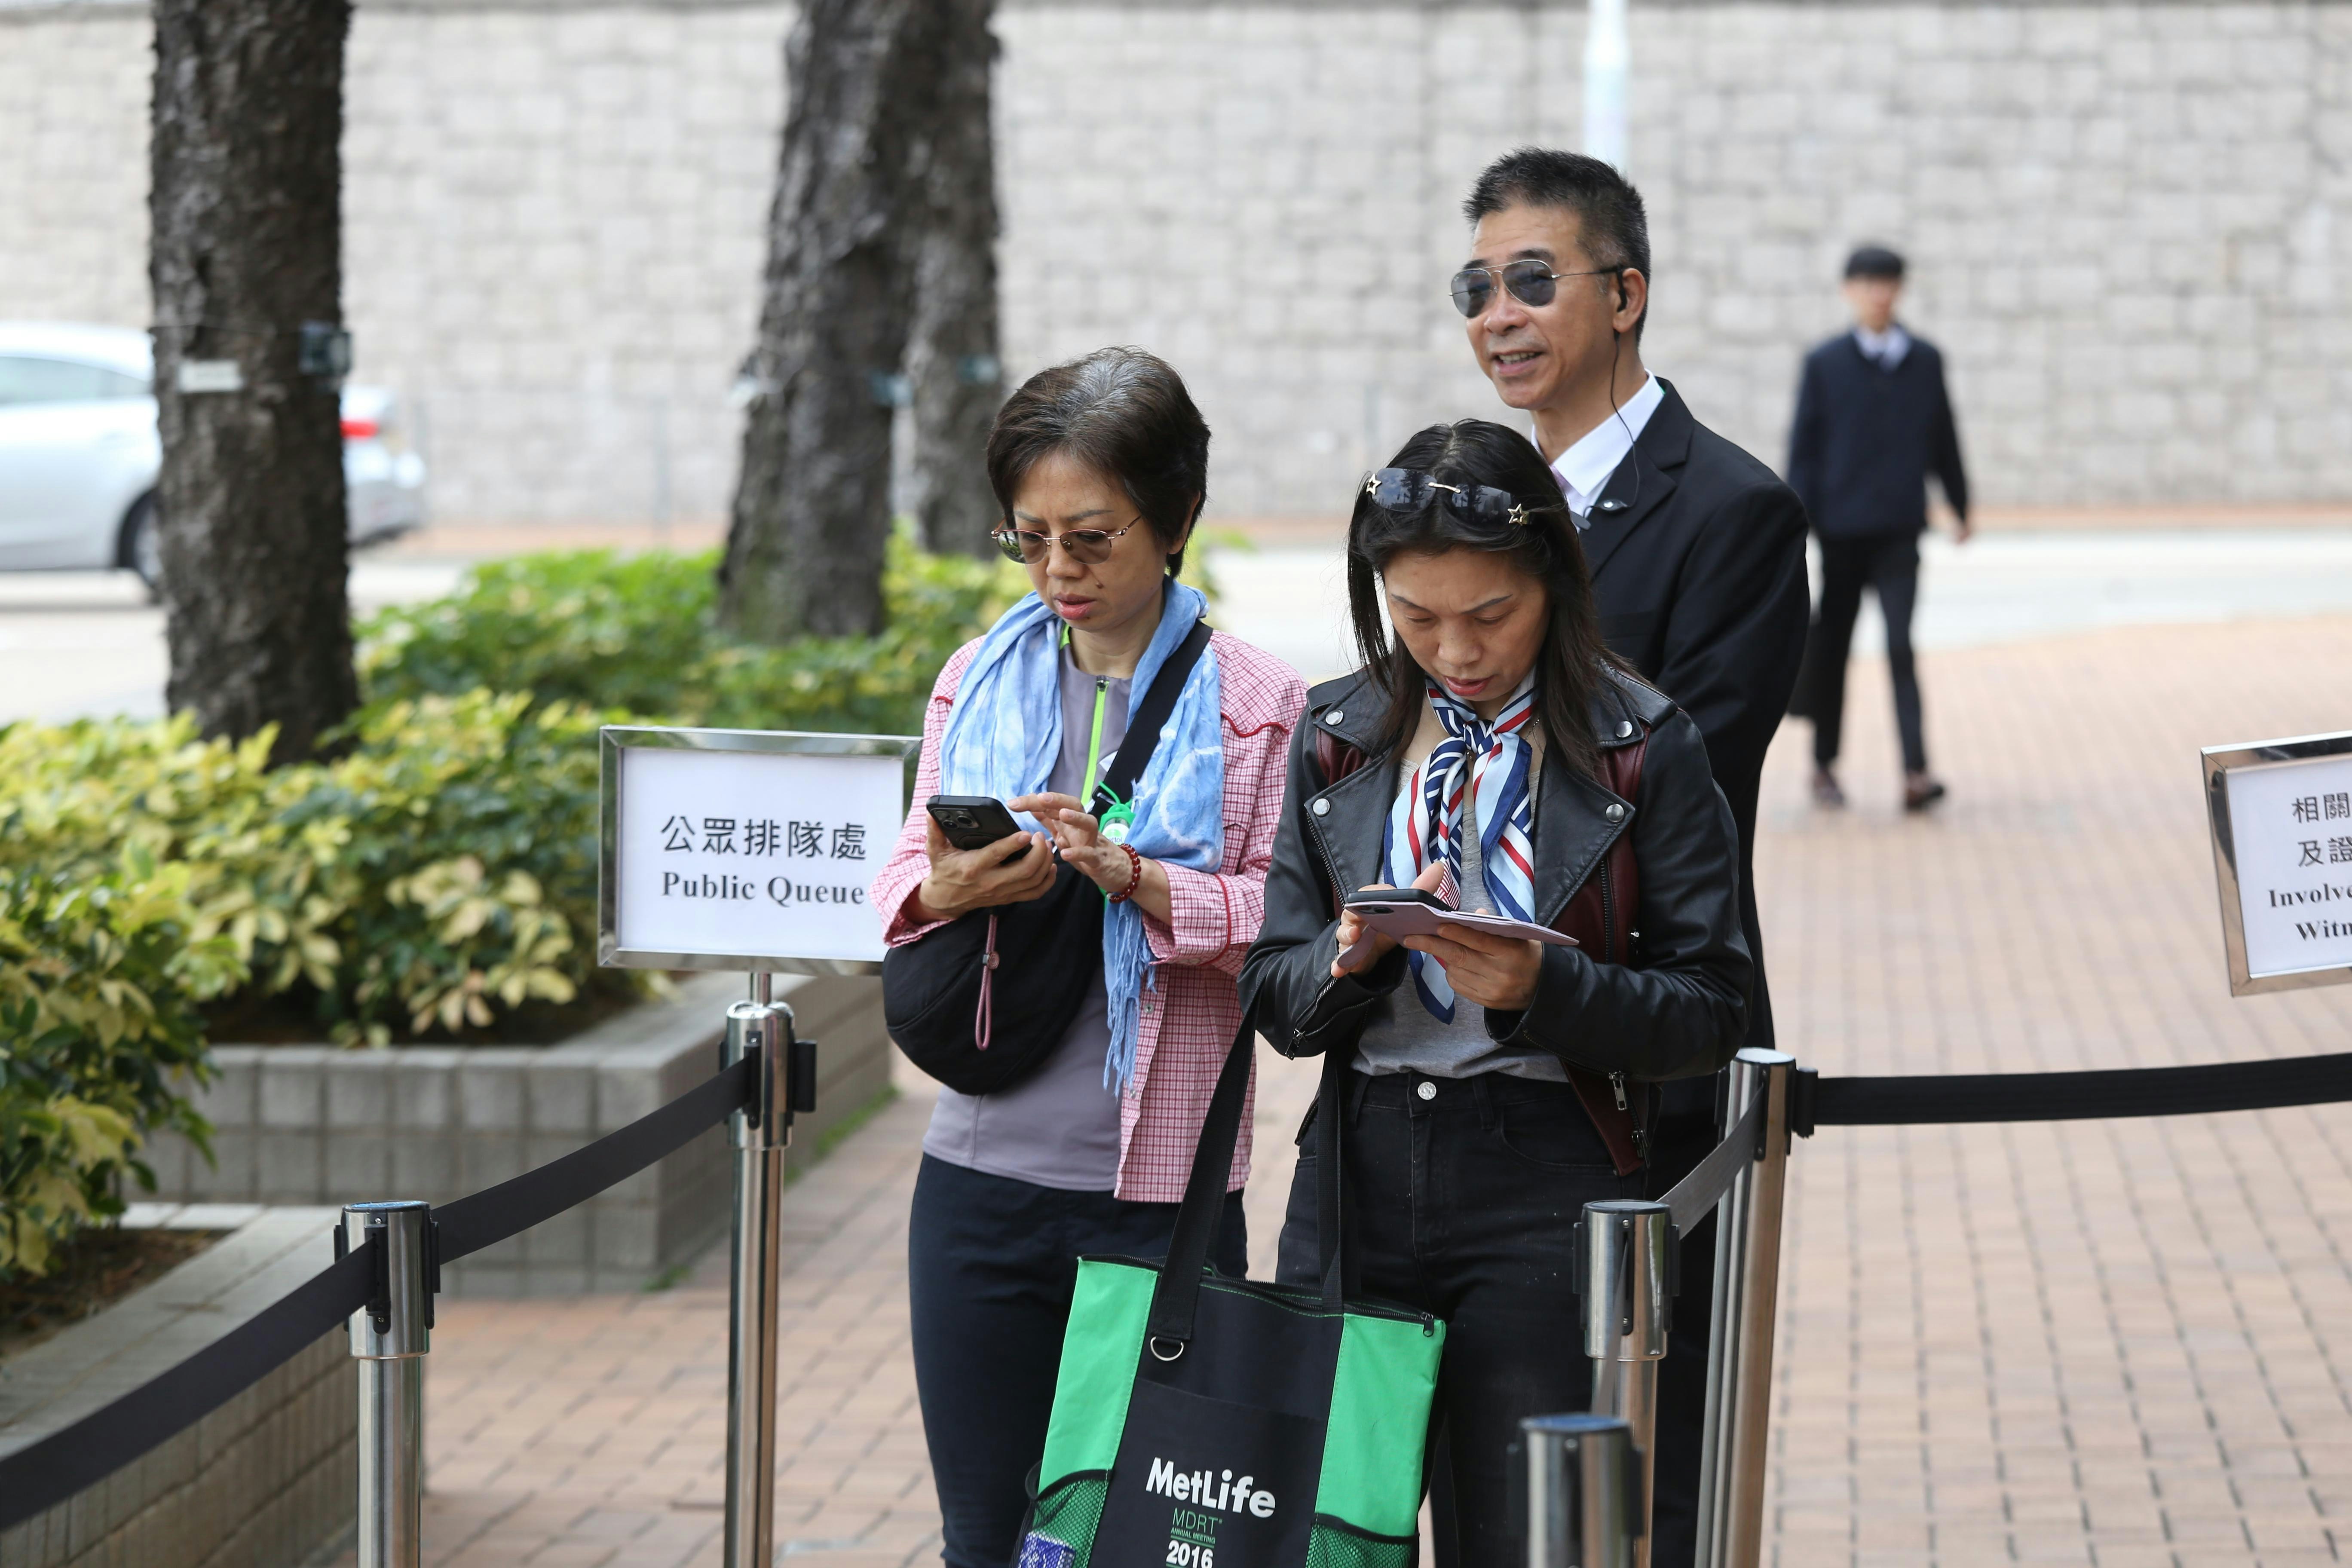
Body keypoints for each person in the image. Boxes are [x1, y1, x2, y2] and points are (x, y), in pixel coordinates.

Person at [1240, 419, 1752, 1568]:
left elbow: (1714, 1006)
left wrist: (1548, 984)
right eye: (1417, 618)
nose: (1456, 652)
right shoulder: (1338, 736)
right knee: (1331, 1534)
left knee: (1523, 1538)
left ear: (1554, 582)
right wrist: (1347, 959)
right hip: (1359, 1170)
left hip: (1549, 1174)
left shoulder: (1641, 745)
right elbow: (1271, 989)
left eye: (1491, 614)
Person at [870, 347, 1308, 1568]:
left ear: (1176, 519)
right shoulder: (978, 677)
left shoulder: (1262, 702)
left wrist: (1138, 879)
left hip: (1161, 1202)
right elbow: (900, 883)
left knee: (1141, 1544)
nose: (1059, 569)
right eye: (1031, 539)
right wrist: (952, 887)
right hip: (977, 1183)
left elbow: (1285, 924)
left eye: (1093, 537)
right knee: (985, 1540)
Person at [1452, 146, 1810, 1566]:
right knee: (1485, 1473)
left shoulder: (1732, 510)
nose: (1498, 314)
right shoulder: (1470, 503)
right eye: (1476, 287)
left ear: (1625, 293)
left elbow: (1688, 785)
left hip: (1641, 1058)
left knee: (1642, 1470)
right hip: (1468, 1079)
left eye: (1532, 280)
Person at [1786, 243, 1971, 811]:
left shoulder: (1924, 360)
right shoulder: (1825, 363)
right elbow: (1804, 451)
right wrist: (1796, 523)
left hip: (1899, 530)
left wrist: (1960, 504)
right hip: (1841, 535)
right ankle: (1823, 765)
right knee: (1833, 651)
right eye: (1867, 283)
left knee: (1899, 647)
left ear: (1900, 289)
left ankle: (1916, 772)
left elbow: (1943, 436)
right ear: (1850, 291)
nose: (1878, 294)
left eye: (1887, 283)